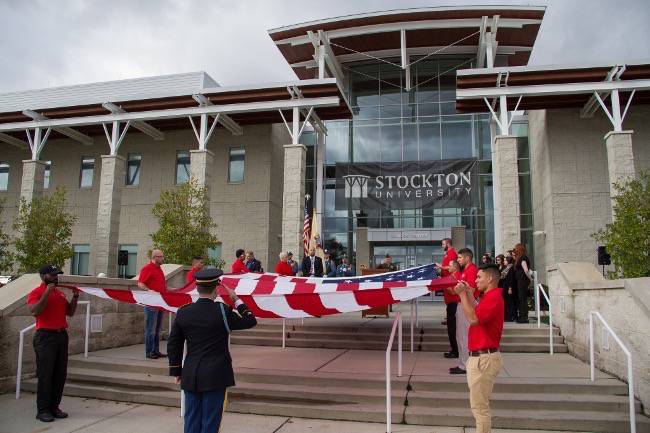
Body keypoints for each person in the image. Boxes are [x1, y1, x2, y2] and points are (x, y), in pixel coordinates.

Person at [168, 268, 257, 433]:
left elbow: (174, 343)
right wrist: (237, 300)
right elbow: (250, 320)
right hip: (216, 375)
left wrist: (176, 371)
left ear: (197, 288)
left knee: (191, 420)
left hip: (191, 373)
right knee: (211, 422)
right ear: (216, 288)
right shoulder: (222, 311)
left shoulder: (183, 311)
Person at [453, 264, 505, 433]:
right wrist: (468, 294)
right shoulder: (489, 296)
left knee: (480, 408)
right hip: (481, 357)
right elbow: (478, 311)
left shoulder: (493, 297)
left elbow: (474, 318)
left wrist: (461, 295)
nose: (475, 280)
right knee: (479, 406)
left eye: (478, 277)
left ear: (490, 279)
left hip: (483, 359)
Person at [27, 264, 79, 422]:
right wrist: (47, 293)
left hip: (61, 335)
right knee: (46, 375)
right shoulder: (36, 293)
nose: (56, 277)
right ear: (44, 276)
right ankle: (42, 410)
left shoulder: (60, 293)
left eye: (57, 274)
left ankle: (54, 407)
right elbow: (35, 311)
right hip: (45, 337)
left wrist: (75, 298)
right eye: (53, 275)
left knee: (59, 374)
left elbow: (69, 312)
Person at [451, 248, 479, 375]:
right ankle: (464, 363)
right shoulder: (466, 271)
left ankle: (465, 366)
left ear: (467, 258)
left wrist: (461, 292)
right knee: (460, 335)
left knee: (463, 336)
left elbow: (471, 290)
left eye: (460, 258)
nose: (458, 260)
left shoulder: (471, 270)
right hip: (462, 304)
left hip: (465, 305)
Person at [436, 238, 459, 359]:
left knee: (453, 327)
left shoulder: (452, 254)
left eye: (443, 244)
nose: (442, 246)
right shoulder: (448, 254)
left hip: (453, 297)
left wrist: (441, 267)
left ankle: (455, 351)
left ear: (448, 244)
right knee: (451, 325)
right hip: (449, 295)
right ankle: (454, 350)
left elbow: (451, 268)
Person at [513, 243, 533, 323]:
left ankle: (524, 317)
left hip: (523, 280)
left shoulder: (523, 258)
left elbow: (526, 270)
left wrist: (530, 279)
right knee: (521, 298)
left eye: (516, 249)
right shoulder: (520, 258)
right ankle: (522, 316)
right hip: (521, 280)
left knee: (522, 298)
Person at [500, 255, 517, 322]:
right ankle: (507, 316)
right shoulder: (507, 268)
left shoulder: (511, 268)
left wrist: (510, 288)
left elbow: (511, 279)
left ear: (508, 261)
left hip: (508, 287)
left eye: (505, 260)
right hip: (505, 286)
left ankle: (510, 316)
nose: (504, 261)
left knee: (509, 302)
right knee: (506, 302)